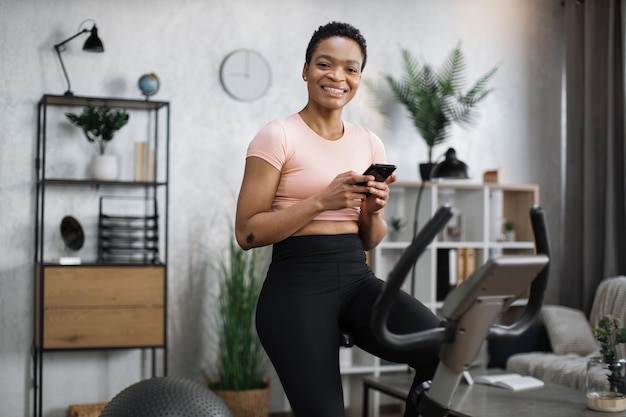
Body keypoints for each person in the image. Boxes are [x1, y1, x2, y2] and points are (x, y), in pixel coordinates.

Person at [235, 21, 440, 417]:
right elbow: (246, 232)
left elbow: (369, 240)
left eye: (351, 69)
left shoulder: (368, 141)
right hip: (296, 288)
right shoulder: (277, 136)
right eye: (325, 64)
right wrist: (321, 201)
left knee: (442, 349)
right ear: (306, 69)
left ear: (359, 77)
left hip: (355, 278)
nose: (337, 77)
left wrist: (372, 210)